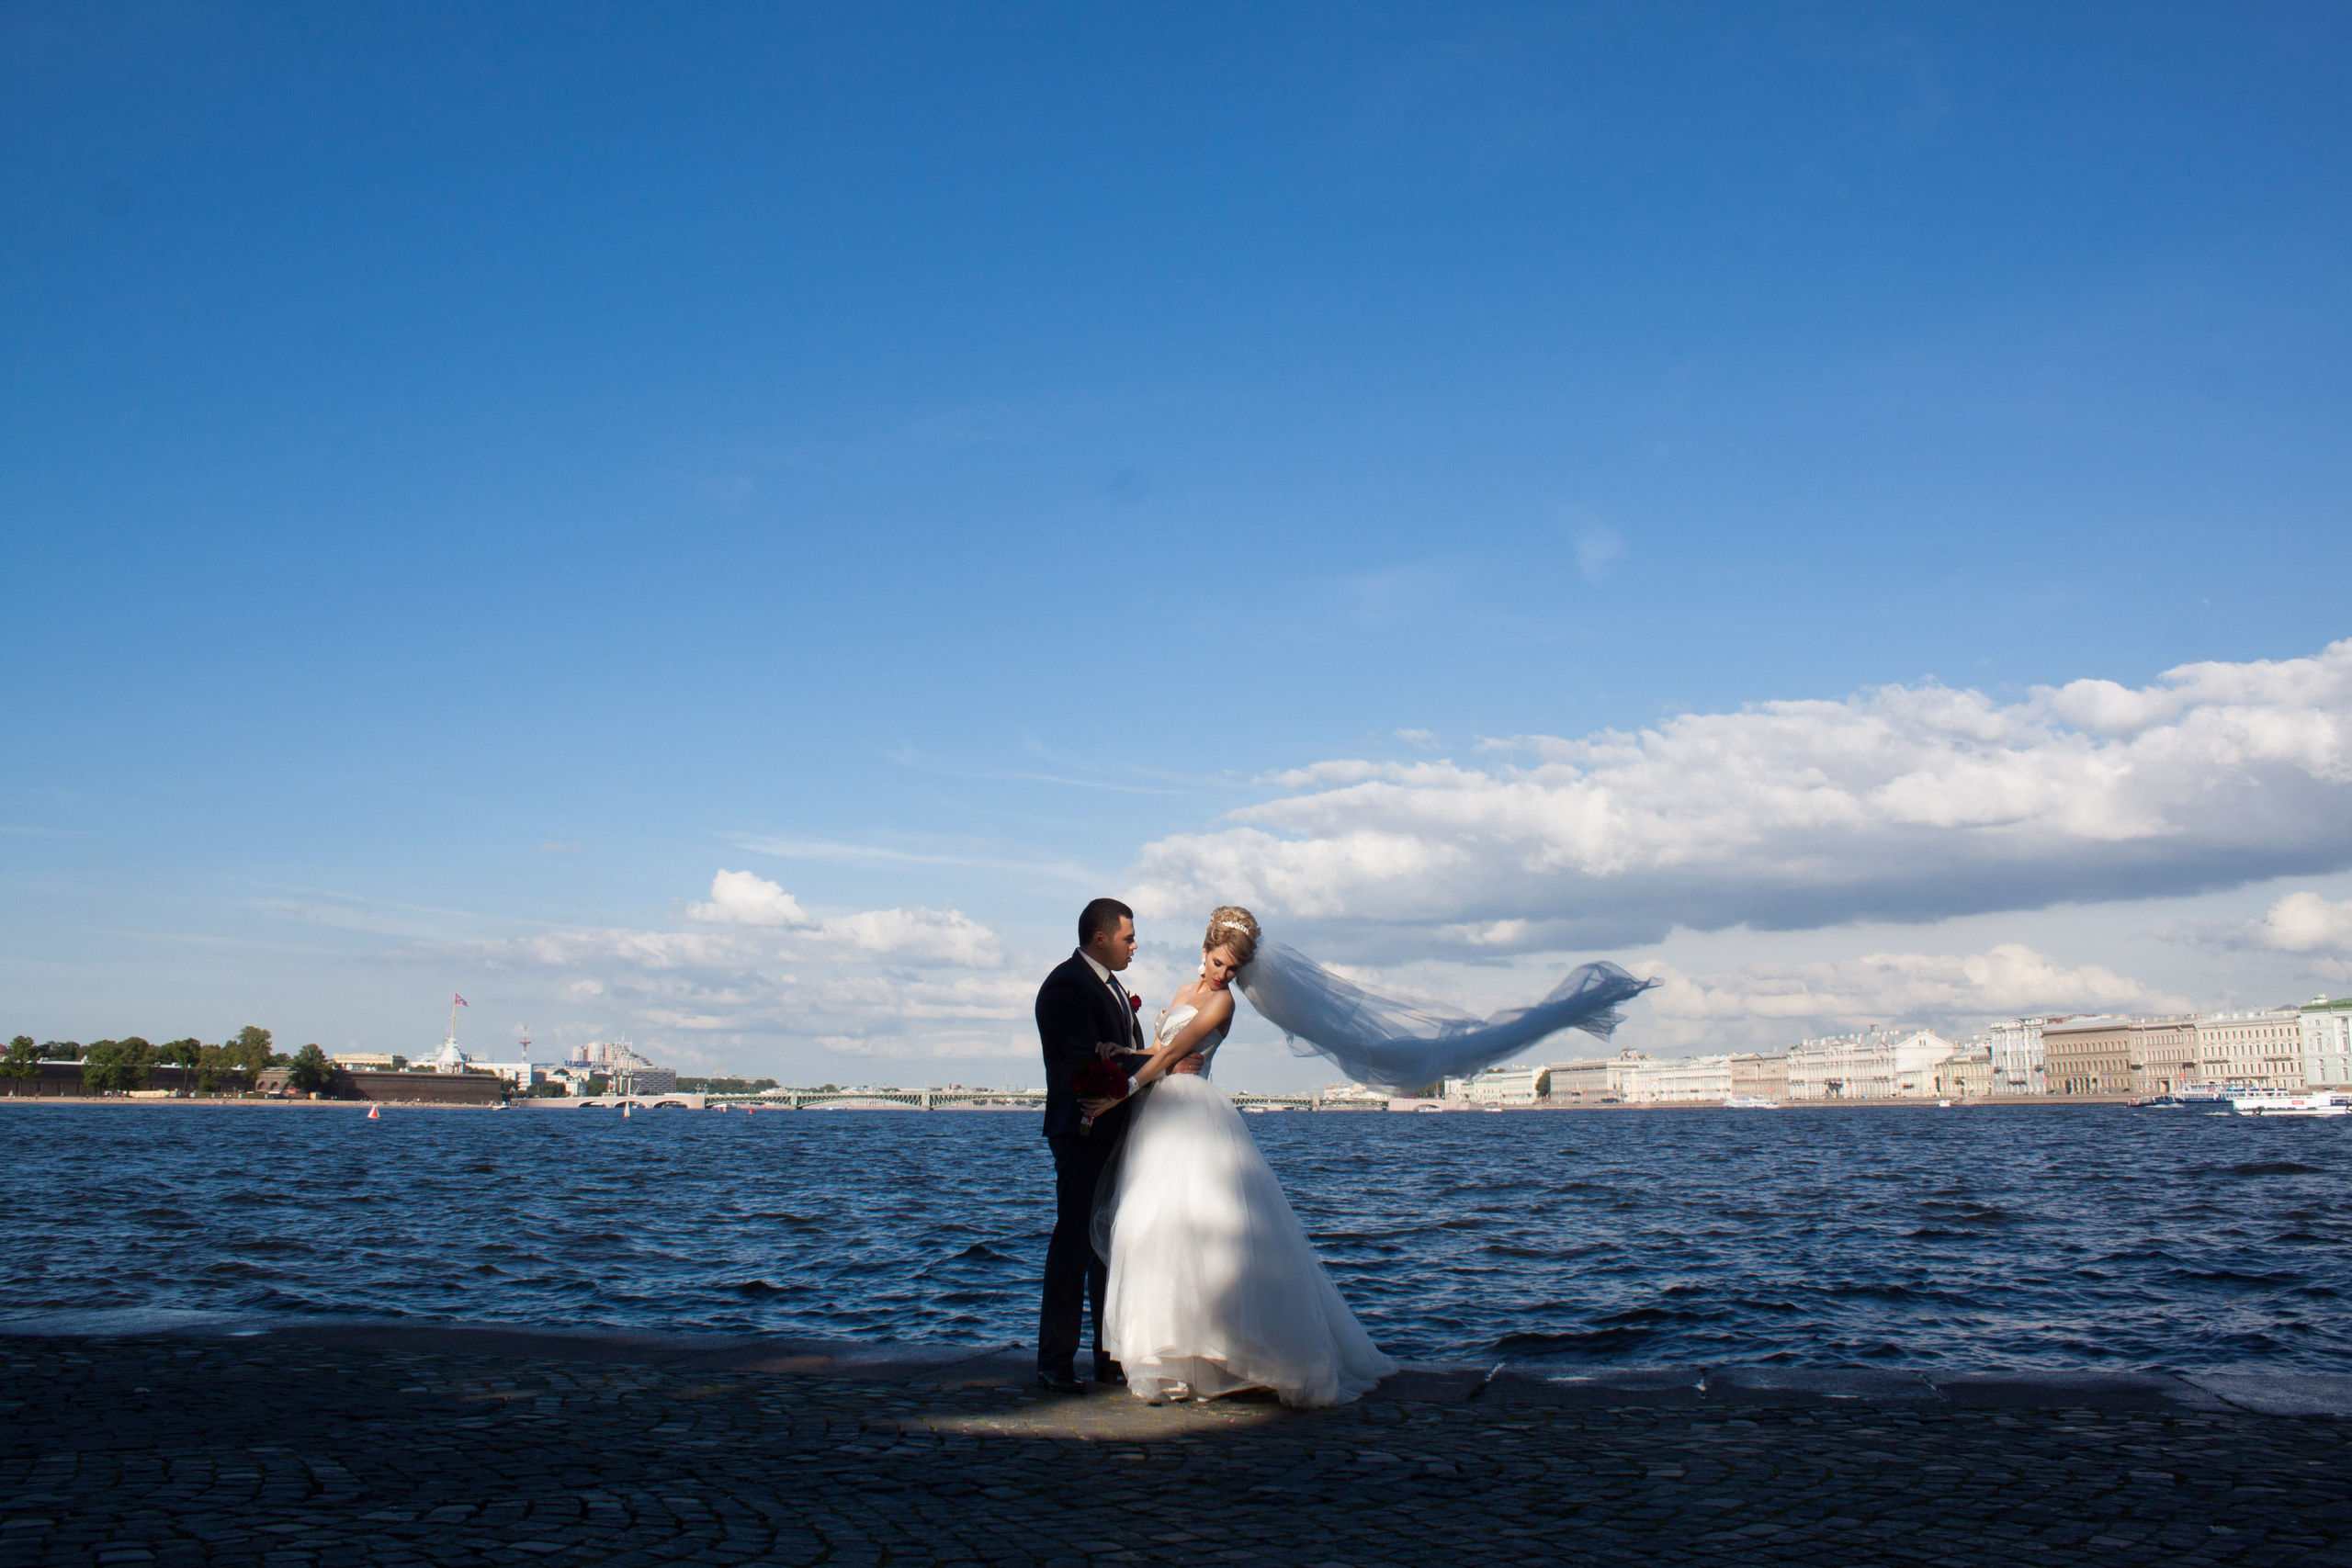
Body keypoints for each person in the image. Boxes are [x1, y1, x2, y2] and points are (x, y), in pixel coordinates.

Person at [1097, 906, 1399, 1407]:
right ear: (1205, 951)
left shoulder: (1222, 1007)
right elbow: (1157, 1048)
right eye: (1218, 963)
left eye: (1233, 969)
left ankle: (1234, 1351)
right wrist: (1121, 1052)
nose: (1223, 975)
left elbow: (1173, 1059)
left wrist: (1119, 1093)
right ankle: (1172, 1359)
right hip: (1160, 1117)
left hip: (1194, 1113)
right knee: (1153, 1229)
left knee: (1204, 1230)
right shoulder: (1182, 993)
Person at [1031, 897, 1201, 1393]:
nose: (1135, 945)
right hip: (1082, 1128)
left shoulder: (1112, 987)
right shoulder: (1066, 985)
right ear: (1099, 938)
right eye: (1128, 937)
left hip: (1117, 1128)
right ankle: (1055, 1362)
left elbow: (1121, 1054)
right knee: (1076, 1241)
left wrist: (1149, 1058)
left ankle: (1108, 1356)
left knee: (1108, 1245)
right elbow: (1089, 1065)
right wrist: (1167, 1063)